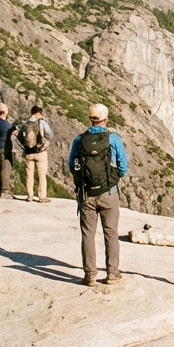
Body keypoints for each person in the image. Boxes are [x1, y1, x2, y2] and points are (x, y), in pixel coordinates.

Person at [69, 104, 128, 286]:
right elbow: (123, 166)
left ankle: (90, 275)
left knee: (88, 234)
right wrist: (110, 180)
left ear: (90, 119)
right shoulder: (113, 138)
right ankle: (112, 273)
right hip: (108, 193)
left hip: (87, 194)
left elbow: (72, 165)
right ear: (105, 119)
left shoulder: (80, 140)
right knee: (111, 233)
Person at [20, 105, 53, 203]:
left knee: (29, 175)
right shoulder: (42, 122)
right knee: (42, 175)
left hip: (28, 153)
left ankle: (30, 195)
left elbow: (20, 137)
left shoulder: (25, 123)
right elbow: (50, 134)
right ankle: (42, 196)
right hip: (40, 152)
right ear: (39, 113)